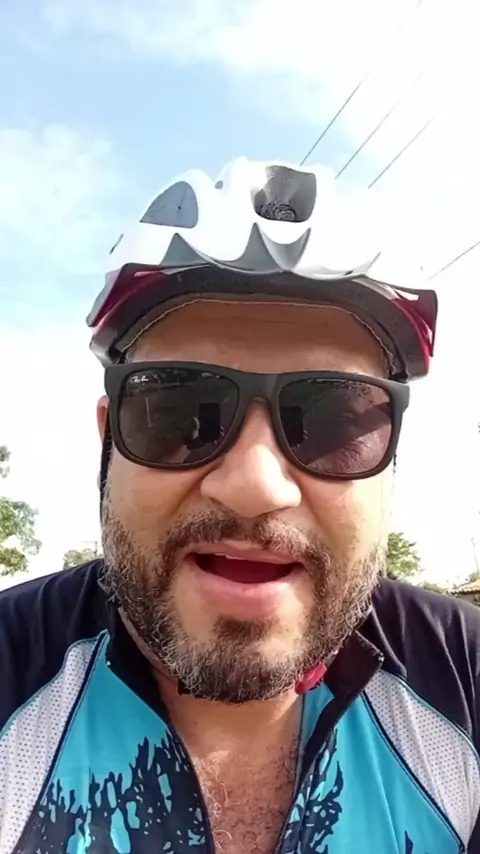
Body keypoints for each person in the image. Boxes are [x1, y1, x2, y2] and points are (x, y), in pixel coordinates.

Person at [0, 158, 478, 854]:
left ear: (392, 460)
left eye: (334, 423)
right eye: (180, 412)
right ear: (108, 444)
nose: (255, 486)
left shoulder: (464, 677)